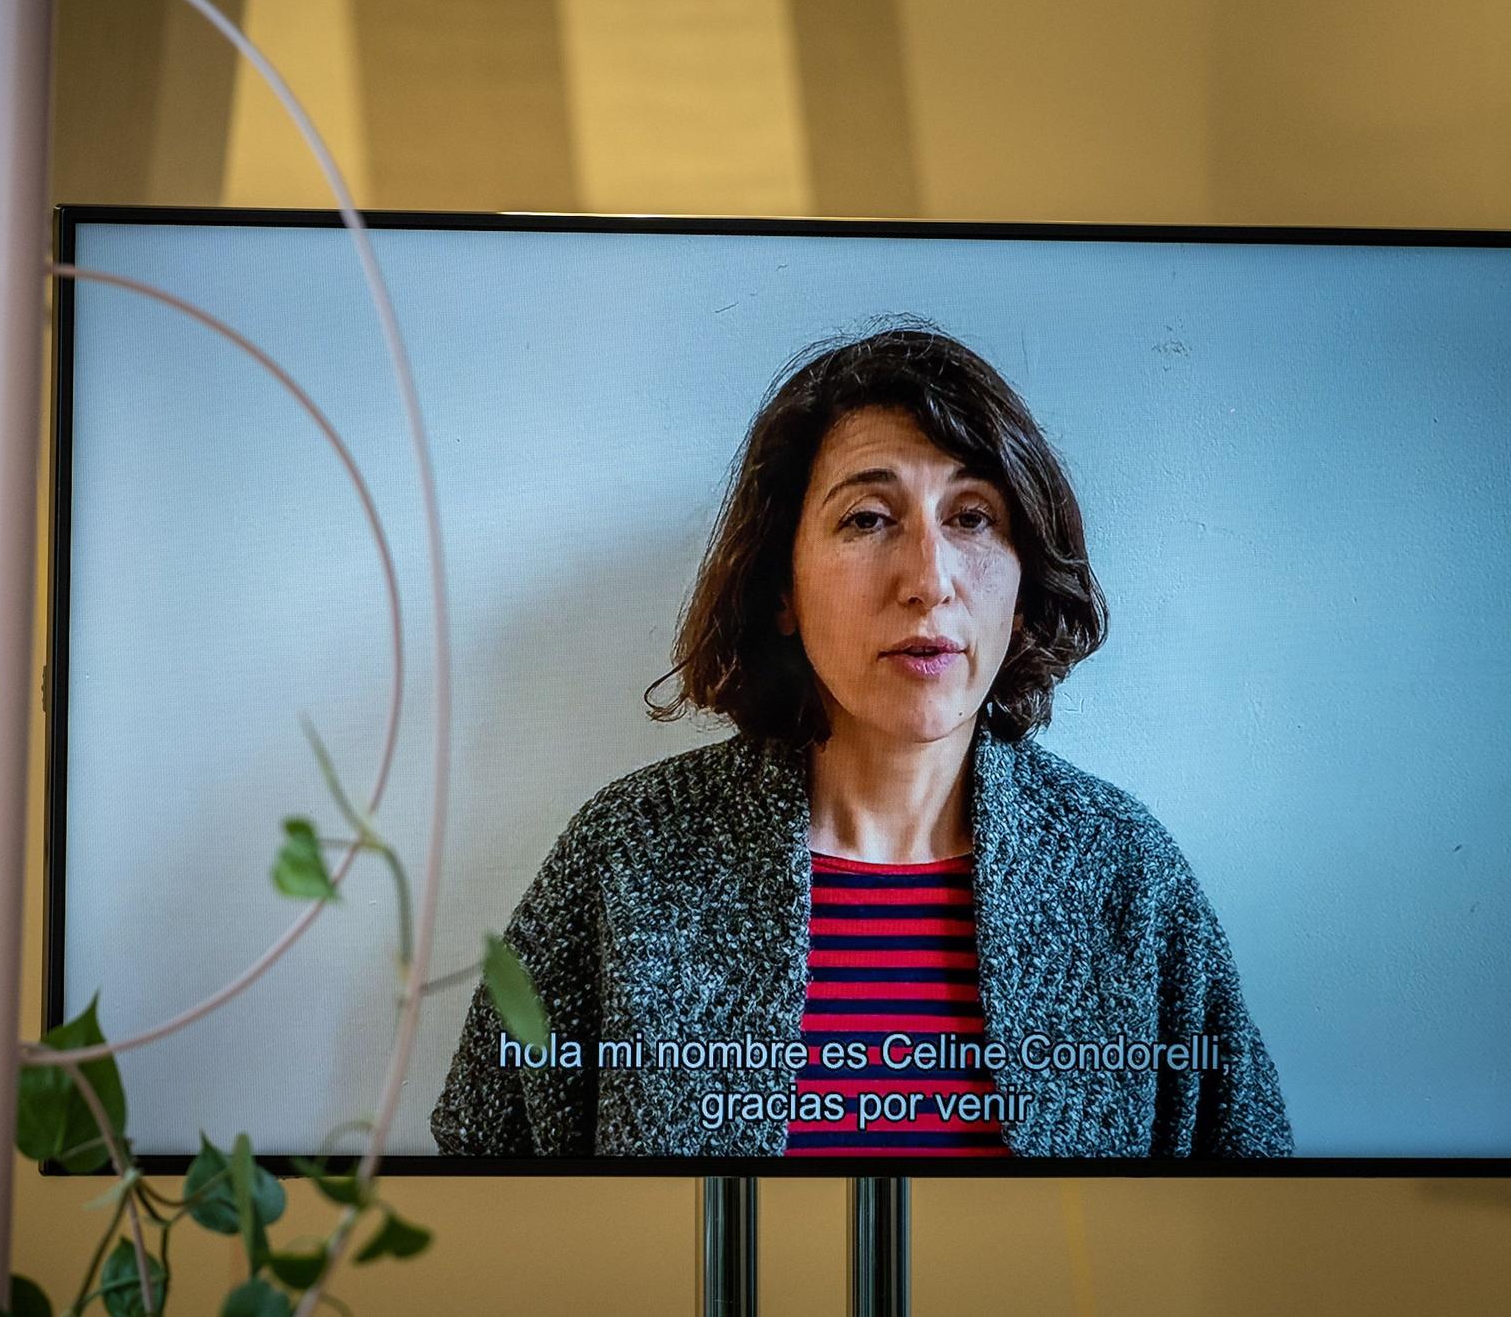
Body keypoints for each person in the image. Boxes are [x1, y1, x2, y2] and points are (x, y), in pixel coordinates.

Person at [428, 320, 1293, 1158]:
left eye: (974, 517)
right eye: (868, 518)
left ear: (1024, 582)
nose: (928, 581)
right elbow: (486, 1176)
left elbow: (1249, 1213)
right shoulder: (629, 856)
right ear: (782, 589)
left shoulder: (1125, 876)